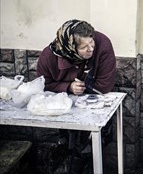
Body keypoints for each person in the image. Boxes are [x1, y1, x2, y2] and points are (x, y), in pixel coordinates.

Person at [37, 19, 116, 174]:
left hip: (95, 105)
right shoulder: (49, 55)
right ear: (70, 48)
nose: (91, 49)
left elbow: (105, 84)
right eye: (84, 47)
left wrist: (81, 87)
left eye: (91, 43)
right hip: (62, 109)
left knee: (91, 145)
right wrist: (68, 87)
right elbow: (41, 84)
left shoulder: (103, 44)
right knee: (64, 146)